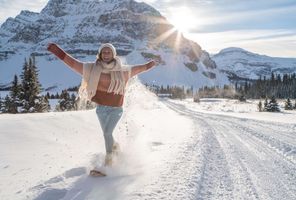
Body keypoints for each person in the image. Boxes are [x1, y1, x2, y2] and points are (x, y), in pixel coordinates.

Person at [47, 43, 156, 175]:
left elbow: (139, 69)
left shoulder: (123, 70)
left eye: (108, 52)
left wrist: (149, 65)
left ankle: (108, 163)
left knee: (107, 133)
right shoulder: (91, 68)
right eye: (103, 52)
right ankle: (116, 149)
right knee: (107, 134)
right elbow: (73, 63)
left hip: (116, 109)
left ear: (113, 54)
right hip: (100, 109)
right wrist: (58, 51)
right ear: (99, 54)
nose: (105, 54)